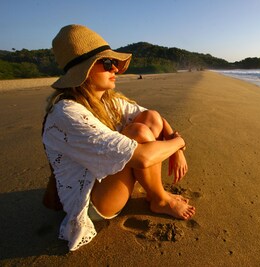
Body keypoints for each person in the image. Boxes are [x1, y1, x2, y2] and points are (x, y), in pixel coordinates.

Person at [42, 24, 195, 251]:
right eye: (106, 63)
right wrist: (179, 143)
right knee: (139, 133)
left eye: (114, 62)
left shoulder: (106, 100)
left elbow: (156, 118)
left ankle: (153, 190)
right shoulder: (66, 113)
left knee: (149, 118)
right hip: (92, 203)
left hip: (107, 179)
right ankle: (159, 199)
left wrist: (176, 147)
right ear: (84, 70)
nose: (115, 68)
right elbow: (142, 158)